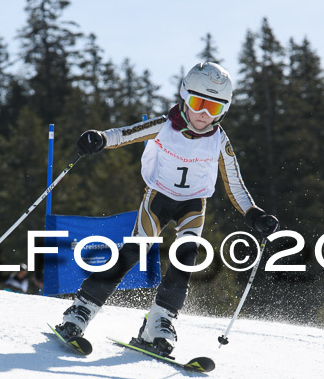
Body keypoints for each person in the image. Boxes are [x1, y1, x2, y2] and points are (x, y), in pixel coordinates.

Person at [55, 62, 279, 356]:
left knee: (185, 260)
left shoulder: (219, 142)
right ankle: (82, 309)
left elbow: (235, 184)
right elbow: (124, 134)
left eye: (213, 108)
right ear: (184, 97)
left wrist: (255, 214)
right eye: (199, 103)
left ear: (224, 110)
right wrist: (99, 138)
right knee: (133, 252)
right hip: (158, 198)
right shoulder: (164, 126)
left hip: (193, 205)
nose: (203, 114)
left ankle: (159, 321)